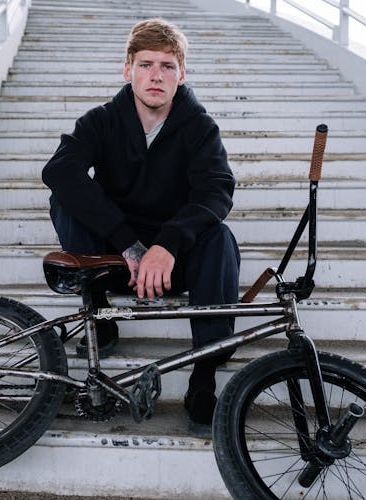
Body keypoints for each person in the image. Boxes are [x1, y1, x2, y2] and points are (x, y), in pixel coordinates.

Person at [42, 18, 240, 430]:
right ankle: (100, 315)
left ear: (181, 75)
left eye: (167, 66)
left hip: (173, 260)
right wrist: (128, 244)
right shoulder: (101, 121)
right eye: (146, 64)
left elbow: (216, 190)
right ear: (127, 69)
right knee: (64, 197)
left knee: (219, 236)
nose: (156, 75)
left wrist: (166, 245)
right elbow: (60, 171)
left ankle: (203, 374)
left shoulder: (200, 128)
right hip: (115, 258)